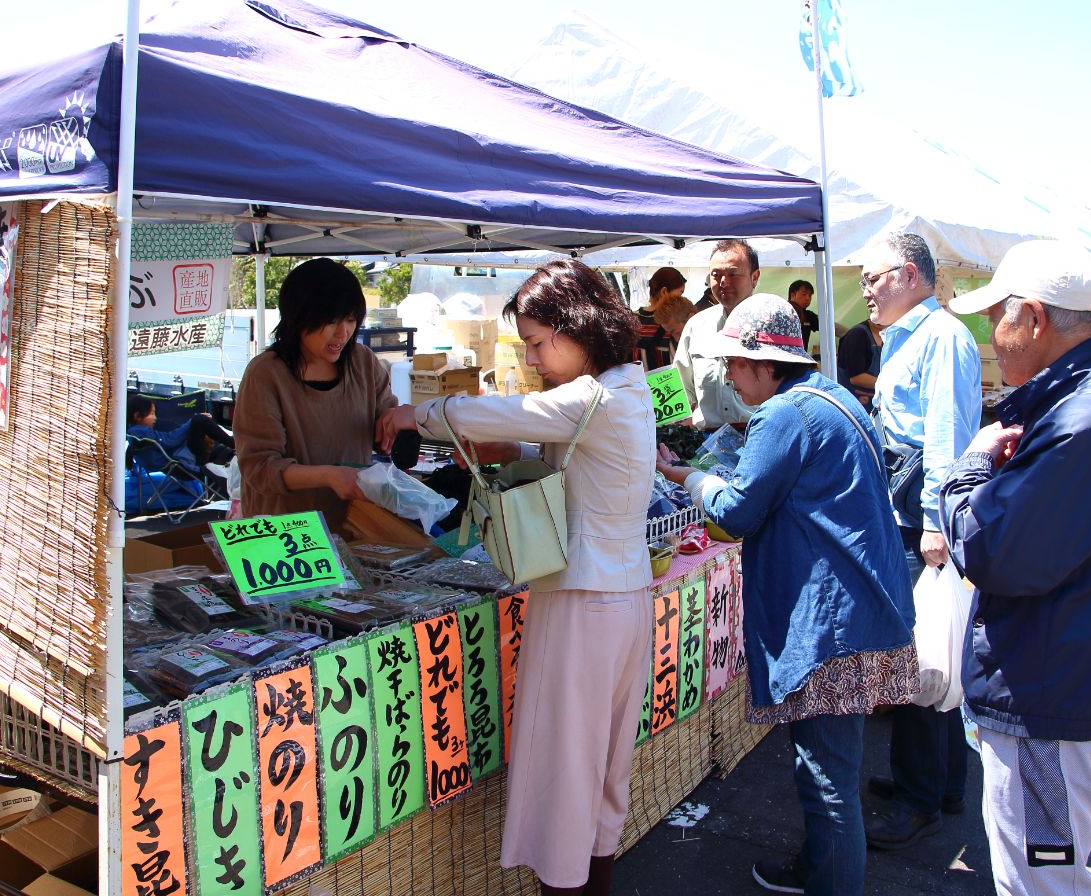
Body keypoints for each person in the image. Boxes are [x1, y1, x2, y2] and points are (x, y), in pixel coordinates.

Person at [376, 259, 654, 896]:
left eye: (536, 343)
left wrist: (416, 415)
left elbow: (501, 413)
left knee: (566, 763)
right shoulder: (624, 386)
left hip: (584, 602)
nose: (531, 358)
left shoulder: (588, 396)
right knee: (606, 765)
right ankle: (591, 880)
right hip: (624, 595)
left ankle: (564, 883)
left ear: (575, 327)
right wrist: (526, 450)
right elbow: (578, 449)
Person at [654, 294, 918, 896]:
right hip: (862, 606)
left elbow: (738, 512)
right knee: (825, 768)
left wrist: (690, 476)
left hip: (831, 620)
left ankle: (832, 881)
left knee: (828, 780)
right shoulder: (833, 396)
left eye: (735, 365)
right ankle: (818, 868)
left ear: (766, 364)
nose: (727, 377)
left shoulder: (783, 415)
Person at [937, 239, 1091, 896]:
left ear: (1034, 319)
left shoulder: (1086, 419)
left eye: (997, 318)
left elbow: (991, 550)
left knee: (1041, 885)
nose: (992, 333)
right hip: (1060, 682)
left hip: (1043, 698)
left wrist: (971, 468)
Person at [861, 232, 981, 852]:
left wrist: (936, 520)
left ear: (909, 274)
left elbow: (945, 438)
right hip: (912, 513)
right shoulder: (916, 337)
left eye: (874, 277)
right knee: (930, 652)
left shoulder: (942, 338)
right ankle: (941, 785)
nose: (866, 290)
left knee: (920, 660)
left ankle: (919, 802)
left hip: (919, 518)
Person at [233, 258, 397, 523]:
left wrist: (395, 427)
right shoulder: (266, 375)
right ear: (299, 317)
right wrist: (330, 475)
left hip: (354, 525)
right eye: (331, 321)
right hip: (288, 538)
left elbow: (387, 419)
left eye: (351, 319)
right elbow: (260, 468)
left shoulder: (363, 362)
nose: (342, 333)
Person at [672, 240, 761, 430]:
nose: (723, 282)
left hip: (758, 437)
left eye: (732, 274)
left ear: (755, 277)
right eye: (716, 274)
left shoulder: (772, 324)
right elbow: (680, 393)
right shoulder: (696, 326)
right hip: (705, 445)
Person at [127, 394, 235, 479]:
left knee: (200, 423)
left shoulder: (133, 434)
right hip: (181, 465)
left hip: (176, 463)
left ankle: (232, 445)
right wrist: (190, 422)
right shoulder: (140, 432)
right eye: (151, 414)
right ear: (137, 416)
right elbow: (170, 440)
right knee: (199, 420)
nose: (155, 418)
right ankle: (235, 444)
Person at [635, 266, 687, 370]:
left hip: (637, 384)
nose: (681, 298)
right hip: (669, 384)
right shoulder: (673, 322)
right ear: (664, 292)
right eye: (680, 293)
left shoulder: (631, 319)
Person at [838, 316, 884, 410]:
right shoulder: (857, 335)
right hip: (857, 402)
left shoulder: (891, 334)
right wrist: (890, 384)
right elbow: (856, 378)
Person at [788, 279, 821, 352]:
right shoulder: (781, 313)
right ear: (793, 295)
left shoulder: (809, 316)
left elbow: (828, 326)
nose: (808, 298)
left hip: (801, 360)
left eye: (810, 295)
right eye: (804, 294)